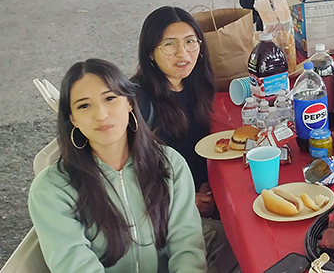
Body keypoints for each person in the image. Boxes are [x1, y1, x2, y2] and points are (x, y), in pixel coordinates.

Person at [29, 59, 207, 272]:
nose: (101, 115)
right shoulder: (51, 189)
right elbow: (77, 266)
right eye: (84, 105)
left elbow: (187, 247)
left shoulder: (169, 163)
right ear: (72, 118)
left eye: (110, 98)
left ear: (130, 102)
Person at [132, 6, 238, 273]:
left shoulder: (194, 84)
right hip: (162, 213)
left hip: (200, 194)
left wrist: (204, 186)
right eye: (170, 44)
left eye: (191, 41)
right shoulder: (138, 103)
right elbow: (129, 176)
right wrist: (184, 203)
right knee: (234, 242)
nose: (183, 53)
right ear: (150, 52)